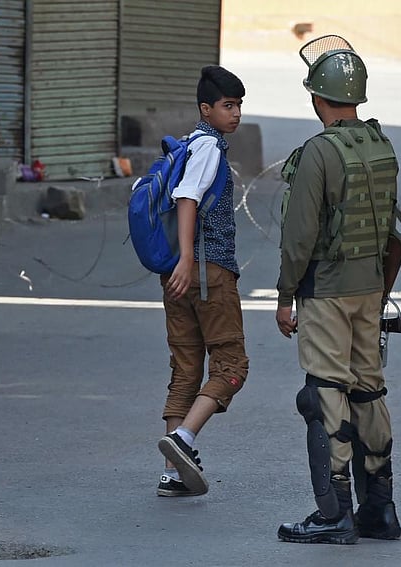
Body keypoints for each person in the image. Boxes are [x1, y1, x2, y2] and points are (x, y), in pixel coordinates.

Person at [275, 36, 401, 543]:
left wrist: (286, 296)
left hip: (326, 290)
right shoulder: (381, 145)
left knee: (325, 393)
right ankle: (381, 509)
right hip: (370, 288)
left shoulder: (319, 152)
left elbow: (300, 233)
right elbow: (394, 229)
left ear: (316, 98)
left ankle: (334, 513)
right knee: (368, 390)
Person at [155, 66, 249, 497]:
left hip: (177, 275)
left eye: (239, 105)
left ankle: (174, 474)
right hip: (206, 274)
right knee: (232, 367)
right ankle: (184, 439)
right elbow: (187, 198)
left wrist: (180, 262)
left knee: (186, 370)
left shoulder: (187, 145)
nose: (236, 114)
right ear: (205, 109)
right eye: (228, 106)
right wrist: (191, 259)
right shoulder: (208, 147)